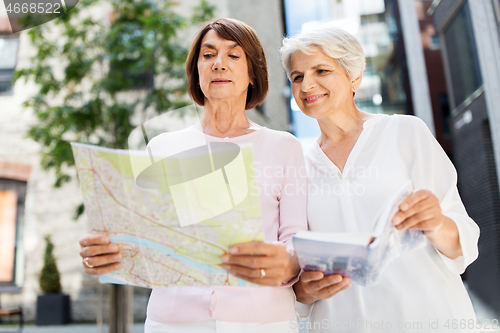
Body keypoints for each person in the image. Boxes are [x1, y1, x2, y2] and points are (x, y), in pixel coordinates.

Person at [79, 18, 307, 333]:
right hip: (173, 321)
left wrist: (287, 261)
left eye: (233, 55)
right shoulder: (161, 147)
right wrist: (104, 255)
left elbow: (297, 241)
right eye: (208, 54)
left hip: (264, 321)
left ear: (253, 72)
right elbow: (142, 240)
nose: (219, 64)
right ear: (196, 70)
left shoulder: (284, 147)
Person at [280, 24, 480, 332]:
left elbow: (462, 244)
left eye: (321, 71)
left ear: (354, 77)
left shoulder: (404, 132)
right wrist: (303, 291)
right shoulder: (296, 167)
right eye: (297, 76)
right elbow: (298, 285)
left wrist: (436, 223)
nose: (307, 85)